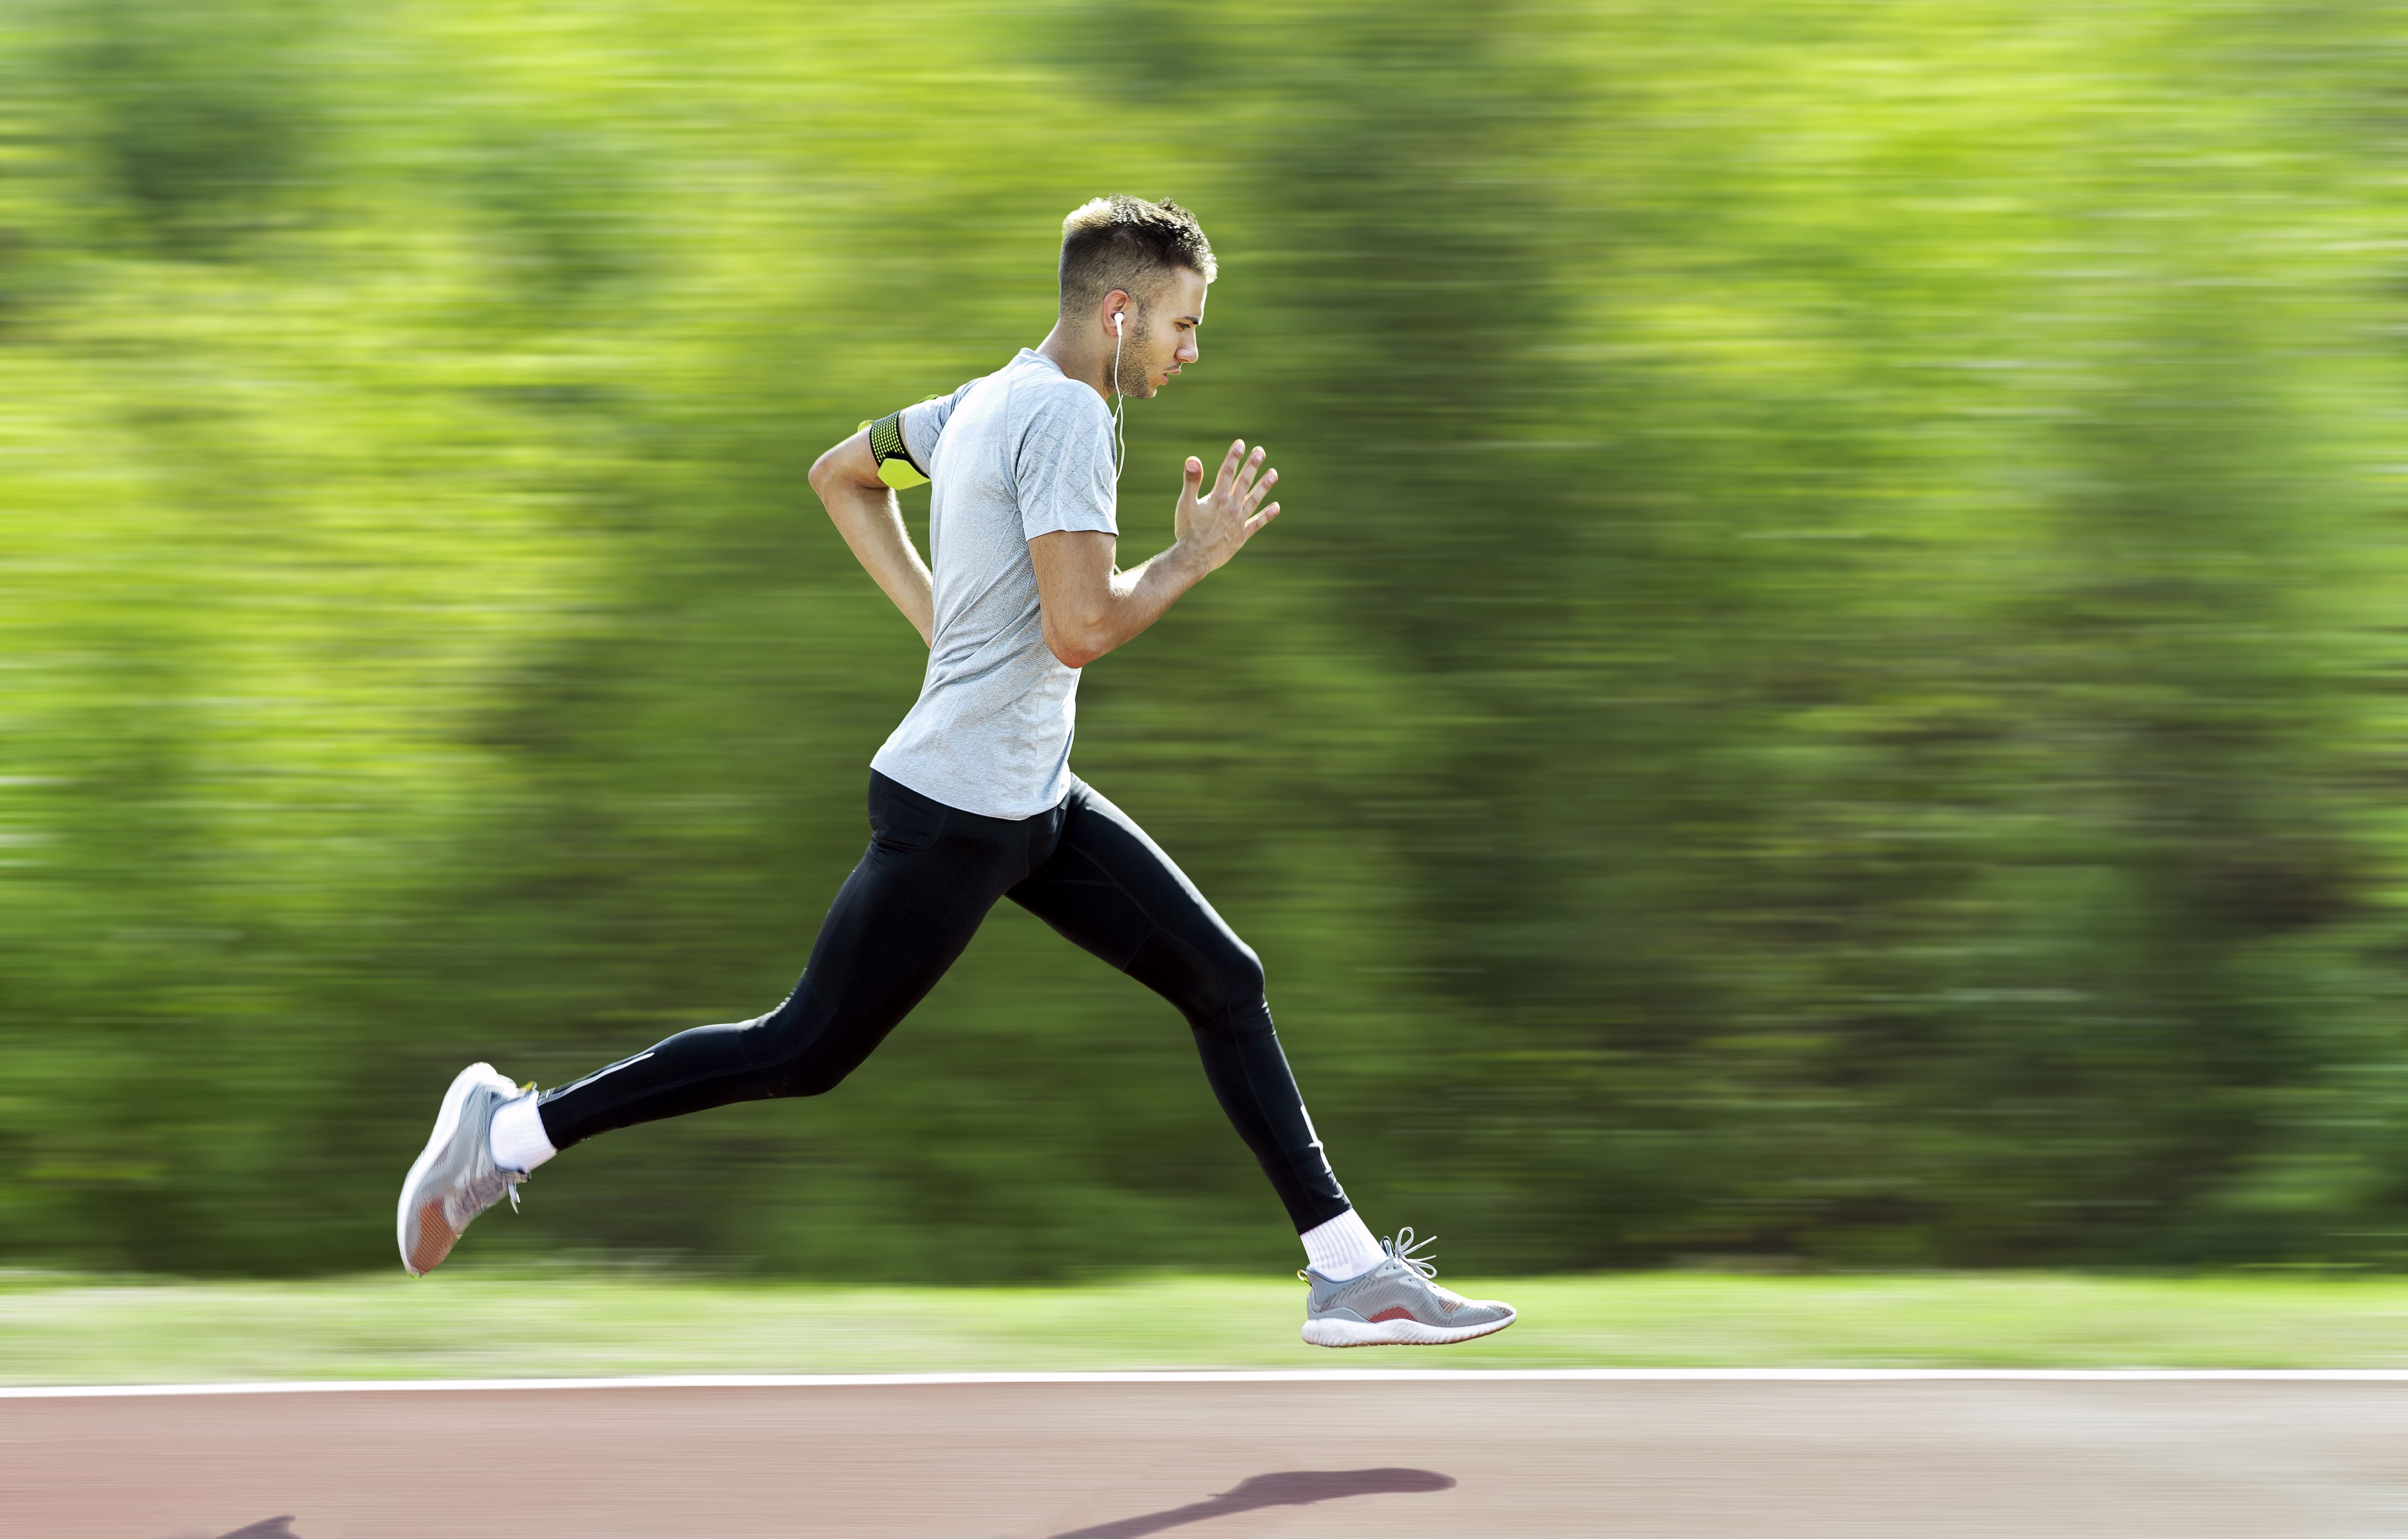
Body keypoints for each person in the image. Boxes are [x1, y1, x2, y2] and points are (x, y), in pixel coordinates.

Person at [395, 195, 1514, 1348]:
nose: (1191, 350)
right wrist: (1190, 558)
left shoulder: (977, 402)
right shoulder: (1068, 417)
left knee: (1224, 980)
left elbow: (843, 473)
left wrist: (950, 631)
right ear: (1119, 313)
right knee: (800, 1049)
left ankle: (1349, 1271)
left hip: (1033, 802)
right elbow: (1081, 628)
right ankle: (509, 1133)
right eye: (1182, 324)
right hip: (960, 811)